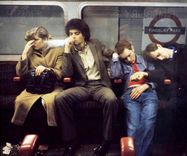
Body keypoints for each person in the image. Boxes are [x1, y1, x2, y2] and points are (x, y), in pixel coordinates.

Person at [55, 18, 119, 156]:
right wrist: (66, 51)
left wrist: (114, 55)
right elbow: (67, 73)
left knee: (111, 100)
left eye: (76, 33)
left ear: (84, 34)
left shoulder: (95, 44)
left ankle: (106, 140)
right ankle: (72, 139)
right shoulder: (69, 51)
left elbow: (108, 51)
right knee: (61, 98)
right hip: (82, 86)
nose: (73, 36)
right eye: (70, 33)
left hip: (100, 85)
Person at [11, 26, 64, 144]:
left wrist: (47, 69)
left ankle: (46, 140)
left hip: (53, 87)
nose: (32, 43)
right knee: (20, 101)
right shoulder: (30, 52)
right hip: (33, 87)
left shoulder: (58, 51)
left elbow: (61, 73)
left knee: (46, 103)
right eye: (30, 41)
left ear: (45, 39)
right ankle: (24, 139)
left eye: (36, 40)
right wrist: (24, 54)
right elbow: (21, 73)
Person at [111, 39, 158, 156]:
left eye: (129, 55)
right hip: (130, 94)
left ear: (133, 48)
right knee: (134, 126)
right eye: (124, 58)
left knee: (148, 123)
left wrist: (147, 85)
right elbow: (115, 75)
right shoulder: (120, 63)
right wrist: (115, 57)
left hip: (148, 91)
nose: (128, 59)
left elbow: (157, 78)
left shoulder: (145, 60)